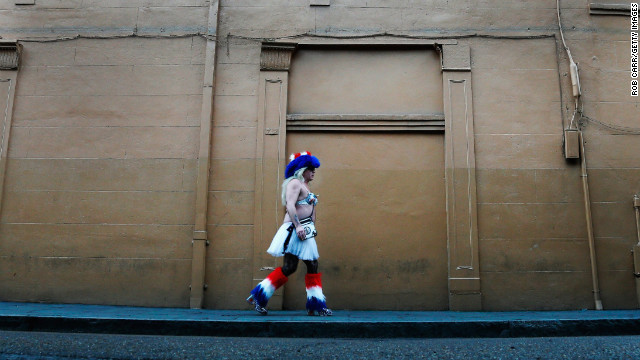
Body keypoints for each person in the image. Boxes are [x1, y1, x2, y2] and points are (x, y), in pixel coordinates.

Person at [246, 151, 332, 316]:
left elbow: (308, 208)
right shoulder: (294, 183)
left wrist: (310, 226)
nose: (314, 171)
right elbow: (290, 206)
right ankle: (260, 296)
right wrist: (298, 226)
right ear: (302, 169)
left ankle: (315, 304)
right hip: (295, 229)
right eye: (311, 168)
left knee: (308, 265)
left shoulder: (306, 186)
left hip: (304, 230)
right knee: (292, 267)